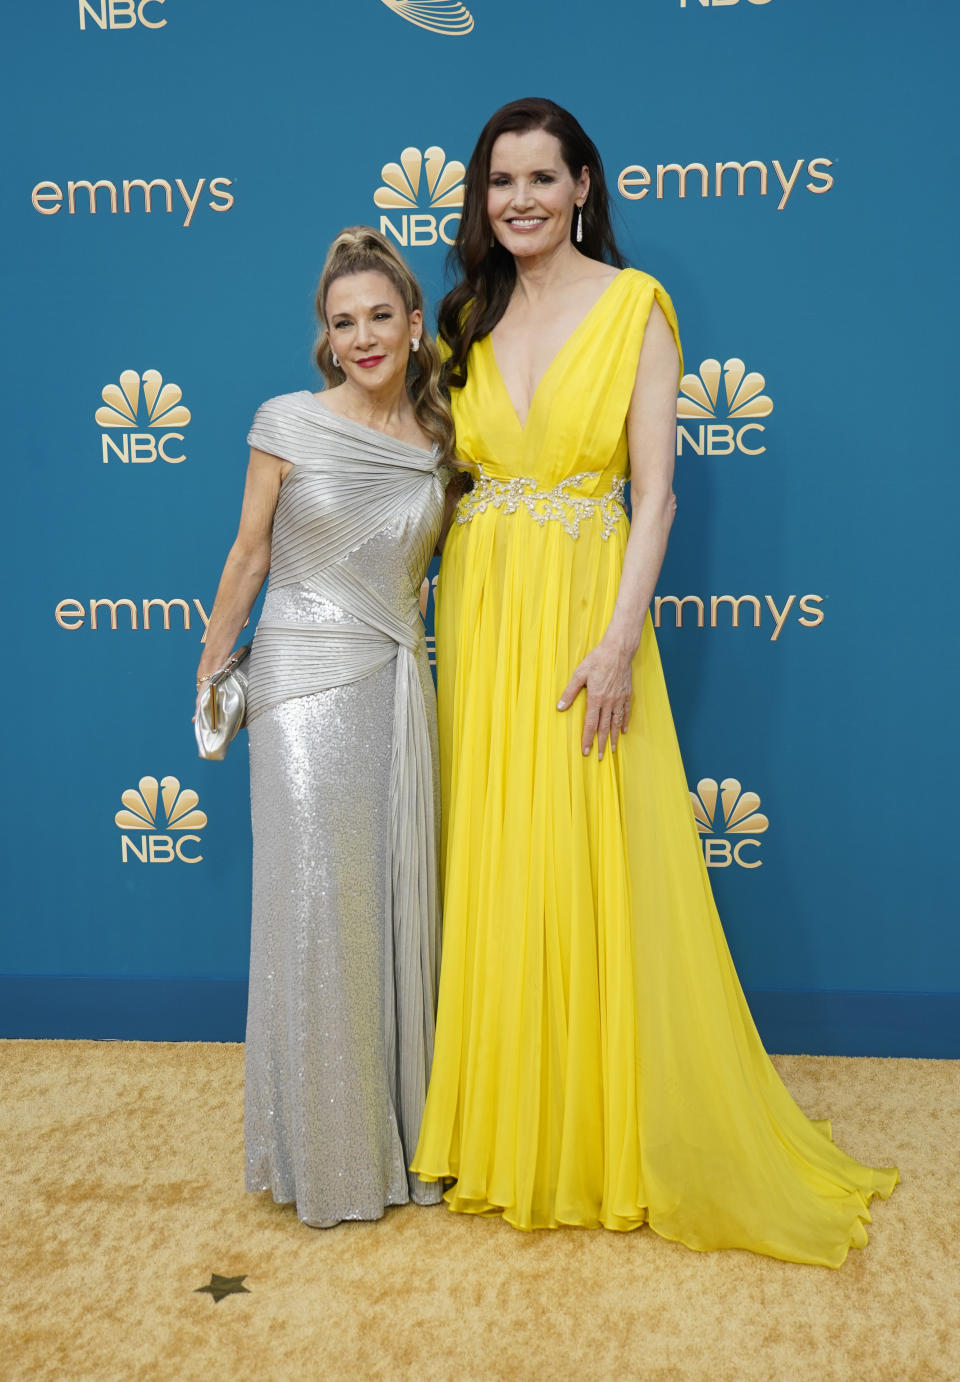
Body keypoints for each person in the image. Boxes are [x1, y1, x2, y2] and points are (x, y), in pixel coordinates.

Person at [410, 98, 899, 1266]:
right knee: (499, 852)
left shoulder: (636, 307)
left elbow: (657, 490)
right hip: (481, 608)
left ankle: (602, 1134)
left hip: (587, 613)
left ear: (584, 185)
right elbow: (428, 486)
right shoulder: (461, 319)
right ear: (480, 199)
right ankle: (498, 1130)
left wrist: (622, 637)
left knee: (589, 856)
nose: (518, 199)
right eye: (498, 181)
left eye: (541, 177)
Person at [196, 227, 458, 1227]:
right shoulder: (288, 421)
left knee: (391, 901)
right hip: (302, 686)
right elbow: (250, 551)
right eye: (342, 321)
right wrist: (215, 659)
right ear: (327, 333)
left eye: (378, 316)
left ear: (414, 323)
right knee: (316, 905)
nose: (361, 337)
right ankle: (328, 1153)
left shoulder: (441, 442)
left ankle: (401, 1134)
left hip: (397, 685)